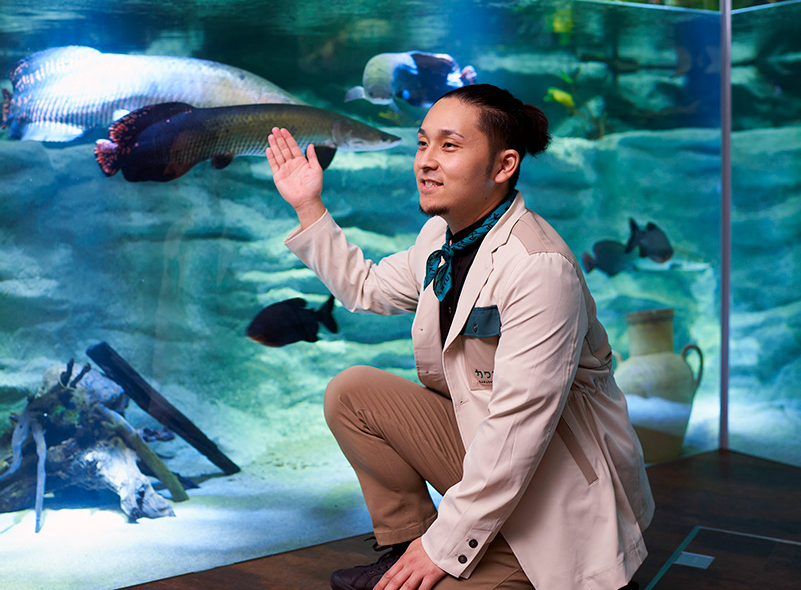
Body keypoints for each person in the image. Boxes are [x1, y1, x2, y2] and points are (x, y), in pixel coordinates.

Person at [265, 84, 654, 590]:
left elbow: (519, 429)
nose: (426, 161)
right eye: (422, 143)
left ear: (504, 165)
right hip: (490, 452)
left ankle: (485, 557)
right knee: (353, 393)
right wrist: (308, 206)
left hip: (554, 488)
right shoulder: (442, 238)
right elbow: (366, 288)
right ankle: (408, 546)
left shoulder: (540, 269)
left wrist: (444, 551)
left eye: (449, 146)